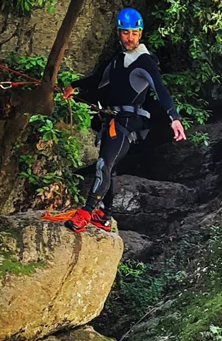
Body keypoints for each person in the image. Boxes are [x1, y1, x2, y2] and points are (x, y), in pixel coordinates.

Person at [60, 7, 186, 233]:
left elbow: (160, 89)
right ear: (119, 33)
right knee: (108, 168)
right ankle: (104, 216)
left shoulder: (145, 61)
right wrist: (73, 86)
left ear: (140, 34)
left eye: (134, 33)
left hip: (128, 123)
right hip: (112, 119)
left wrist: (174, 118)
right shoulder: (118, 60)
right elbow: (98, 80)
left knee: (103, 164)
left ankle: (86, 212)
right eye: (126, 32)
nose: (130, 38)